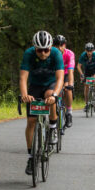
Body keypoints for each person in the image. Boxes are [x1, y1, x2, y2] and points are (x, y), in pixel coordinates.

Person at [19, 31, 64, 175]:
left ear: (51, 48)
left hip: (51, 84)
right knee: (31, 121)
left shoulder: (56, 54)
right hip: (35, 85)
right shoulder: (29, 54)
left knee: (50, 97)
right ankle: (31, 157)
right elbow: (23, 78)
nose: (43, 53)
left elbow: (60, 78)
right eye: (40, 50)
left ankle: (52, 126)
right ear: (34, 48)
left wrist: (56, 95)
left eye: (46, 50)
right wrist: (25, 95)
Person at [53, 35, 74, 129]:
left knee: (67, 89)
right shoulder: (51, 53)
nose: (59, 47)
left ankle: (69, 113)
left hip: (66, 74)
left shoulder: (69, 54)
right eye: (56, 45)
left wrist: (71, 84)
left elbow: (70, 71)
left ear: (64, 45)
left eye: (61, 45)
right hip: (55, 74)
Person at [77, 43, 95, 108]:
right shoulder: (83, 55)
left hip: (94, 70)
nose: (89, 53)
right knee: (86, 86)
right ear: (85, 50)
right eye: (88, 51)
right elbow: (78, 66)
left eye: (90, 51)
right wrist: (81, 74)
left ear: (93, 51)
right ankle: (86, 103)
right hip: (87, 70)